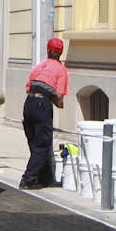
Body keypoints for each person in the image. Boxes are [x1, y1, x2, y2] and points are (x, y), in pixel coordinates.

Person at [19, 36, 70, 189]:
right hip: (42, 105)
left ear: (48, 50)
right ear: (60, 53)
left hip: (29, 103)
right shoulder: (61, 70)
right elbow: (59, 98)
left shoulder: (39, 67)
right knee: (43, 144)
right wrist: (57, 103)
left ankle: (45, 178)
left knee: (35, 143)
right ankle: (28, 179)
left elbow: (28, 87)